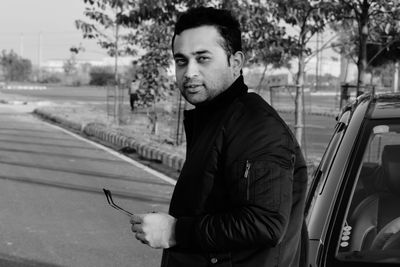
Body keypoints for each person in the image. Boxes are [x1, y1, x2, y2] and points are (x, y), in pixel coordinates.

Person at [130, 6, 308, 267]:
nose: (189, 72)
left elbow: (266, 223)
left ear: (235, 63)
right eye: (181, 61)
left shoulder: (256, 127)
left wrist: (176, 231)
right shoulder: (216, 120)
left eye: (203, 59)